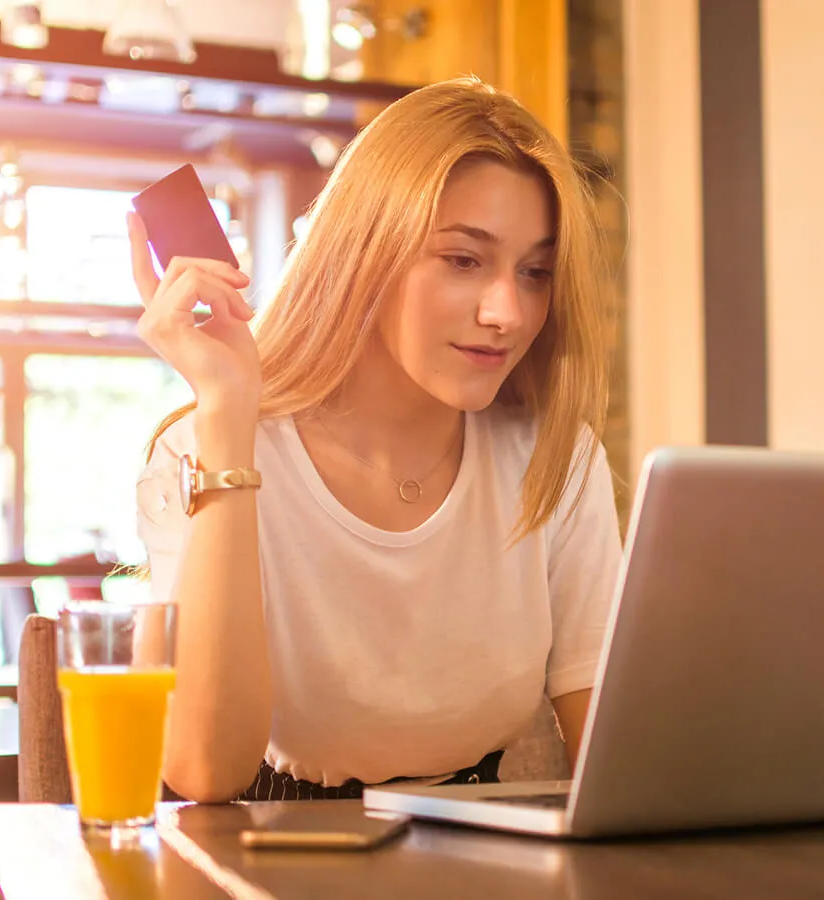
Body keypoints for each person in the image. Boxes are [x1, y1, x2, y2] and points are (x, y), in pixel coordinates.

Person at [129, 76, 622, 803]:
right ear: (364, 251)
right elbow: (204, 771)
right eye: (463, 259)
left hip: (487, 855)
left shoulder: (553, 455)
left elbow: (611, 756)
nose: (508, 312)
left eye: (536, 272)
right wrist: (228, 415)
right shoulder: (202, 449)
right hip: (271, 852)